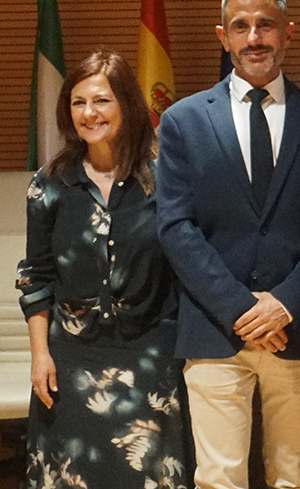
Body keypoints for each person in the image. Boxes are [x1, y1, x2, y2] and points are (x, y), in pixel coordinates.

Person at [156, 0, 300, 489]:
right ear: (223, 36)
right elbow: (176, 227)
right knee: (218, 478)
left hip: (298, 327)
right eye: (241, 26)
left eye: (266, 25)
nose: (254, 37)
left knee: (291, 476)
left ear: (288, 33)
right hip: (214, 329)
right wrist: (241, 309)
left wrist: (283, 303)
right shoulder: (182, 121)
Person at [19, 50, 193, 488]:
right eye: (78, 103)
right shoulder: (49, 184)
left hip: (151, 352)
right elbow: (36, 276)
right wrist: (40, 356)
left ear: (127, 105)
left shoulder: (166, 175)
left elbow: (187, 263)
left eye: (101, 100)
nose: (89, 113)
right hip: (70, 358)